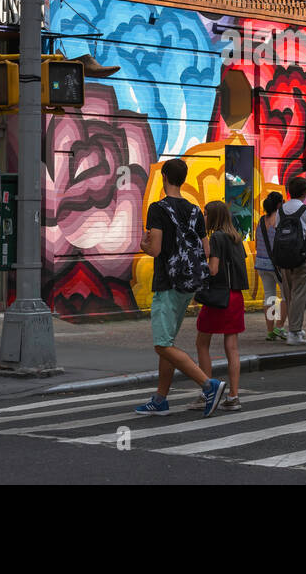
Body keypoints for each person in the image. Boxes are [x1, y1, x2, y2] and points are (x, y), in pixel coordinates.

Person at [136, 158, 226, 417]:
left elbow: (155, 249)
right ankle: (160, 399)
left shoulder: (158, 209)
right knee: (168, 342)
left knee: (161, 345)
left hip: (167, 282)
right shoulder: (195, 209)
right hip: (188, 283)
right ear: (184, 178)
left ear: (164, 176)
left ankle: (209, 385)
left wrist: (143, 244)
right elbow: (206, 250)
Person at [191, 201, 247, 411]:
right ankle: (233, 396)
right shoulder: (236, 238)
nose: (203, 218)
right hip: (235, 297)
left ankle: (207, 391)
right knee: (232, 348)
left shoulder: (216, 237)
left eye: (205, 214)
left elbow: (213, 269)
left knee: (202, 342)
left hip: (218, 298)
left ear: (213, 217)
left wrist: (198, 268)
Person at [279, 176, 306, 346]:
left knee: (289, 294)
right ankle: (294, 332)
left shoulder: (281, 210)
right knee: (299, 294)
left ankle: (295, 329)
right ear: (304, 191)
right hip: (302, 257)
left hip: (284, 257)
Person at [253, 191, 289, 341]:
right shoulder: (280, 220)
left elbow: (256, 244)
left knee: (269, 296)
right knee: (287, 296)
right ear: (279, 204)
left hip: (261, 264)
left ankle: (270, 331)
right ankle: (279, 327)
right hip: (277, 265)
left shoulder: (261, 221)